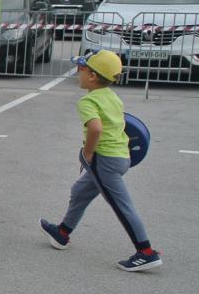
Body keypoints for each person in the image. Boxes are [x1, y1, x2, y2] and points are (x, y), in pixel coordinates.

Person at [40, 50, 162, 271]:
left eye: (82, 69)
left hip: (104, 160)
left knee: (121, 205)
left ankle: (146, 252)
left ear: (93, 76)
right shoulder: (112, 97)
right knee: (80, 191)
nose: (78, 72)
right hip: (121, 156)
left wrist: (87, 153)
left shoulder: (88, 101)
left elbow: (95, 128)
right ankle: (62, 233)